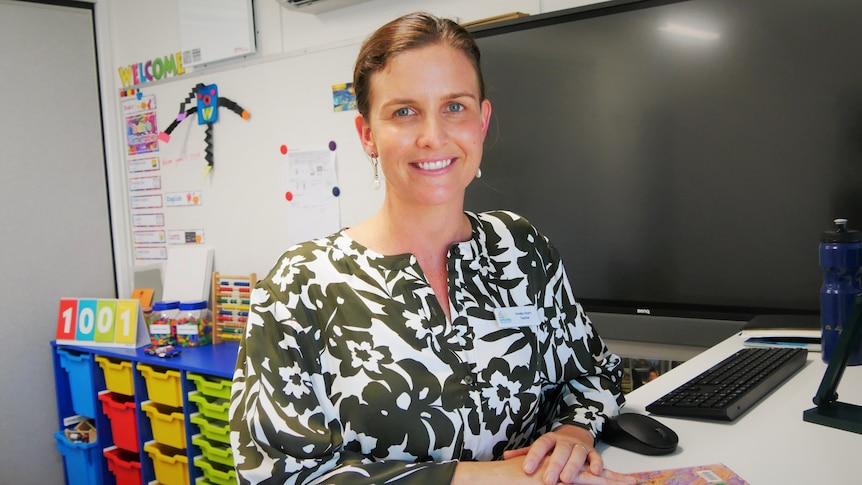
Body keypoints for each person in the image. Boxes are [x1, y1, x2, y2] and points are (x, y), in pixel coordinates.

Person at [230, 12, 636, 485]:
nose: (433, 136)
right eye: (404, 111)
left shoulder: (521, 248)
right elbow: (278, 476)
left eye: (455, 107)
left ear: (482, 122)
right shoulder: (300, 285)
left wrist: (573, 433)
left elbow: (594, 374)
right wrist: (504, 479)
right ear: (368, 135)